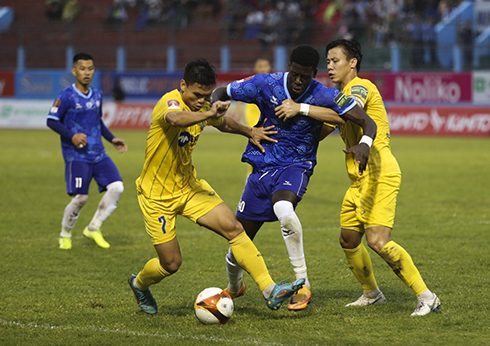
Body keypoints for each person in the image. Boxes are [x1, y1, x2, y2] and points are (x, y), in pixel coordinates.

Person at [128, 58, 305, 315]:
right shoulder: (170, 102)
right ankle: (139, 283)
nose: (201, 100)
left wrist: (249, 131)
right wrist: (209, 113)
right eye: (197, 94)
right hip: (156, 196)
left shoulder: (205, 108)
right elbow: (176, 119)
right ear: (183, 85)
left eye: (207, 95)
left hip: (189, 188)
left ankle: (270, 289)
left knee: (234, 228)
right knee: (171, 263)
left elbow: (223, 123)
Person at [211, 45, 377, 311]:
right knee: (238, 242)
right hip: (261, 167)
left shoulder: (325, 94)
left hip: (296, 165)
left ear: (314, 73)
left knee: (284, 208)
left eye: (306, 76)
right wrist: (217, 106)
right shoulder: (265, 84)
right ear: (289, 66)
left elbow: (367, 122)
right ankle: (234, 287)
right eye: (296, 74)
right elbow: (222, 91)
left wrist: (365, 144)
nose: (299, 80)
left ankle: (303, 284)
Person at [325, 38, 441, 316]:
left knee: (377, 240)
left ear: (352, 63)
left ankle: (427, 297)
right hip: (358, 179)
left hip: (379, 173)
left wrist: (302, 109)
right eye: (327, 61)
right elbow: (326, 125)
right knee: (349, 239)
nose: (329, 66)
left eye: (335, 61)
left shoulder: (359, 86)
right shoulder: (338, 98)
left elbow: (348, 114)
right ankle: (372, 294)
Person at [47, 52, 128, 250]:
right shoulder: (66, 96)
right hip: (77, 155)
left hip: (98, 153)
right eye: (82, 69)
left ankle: (94, 227)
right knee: (81, 198)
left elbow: (97, 122)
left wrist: (112, 139)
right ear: (74, 71)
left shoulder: (98, 95)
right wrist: (72, 136)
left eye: (90, 69)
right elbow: (51, 120)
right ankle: (65, 233)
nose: (86, 73)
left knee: (117, 187)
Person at [236, 57, 272, 176]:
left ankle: (265, 174)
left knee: (268, 143)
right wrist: (239, 111)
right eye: (260, 66)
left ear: (269, 68)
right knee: (256, 139)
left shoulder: (273, 82)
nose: (263, 69)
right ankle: (250, 174)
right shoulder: (251, 81)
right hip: (253, 113)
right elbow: (239, 94)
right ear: (255, 69)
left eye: (265, 66)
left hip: (267, 114)